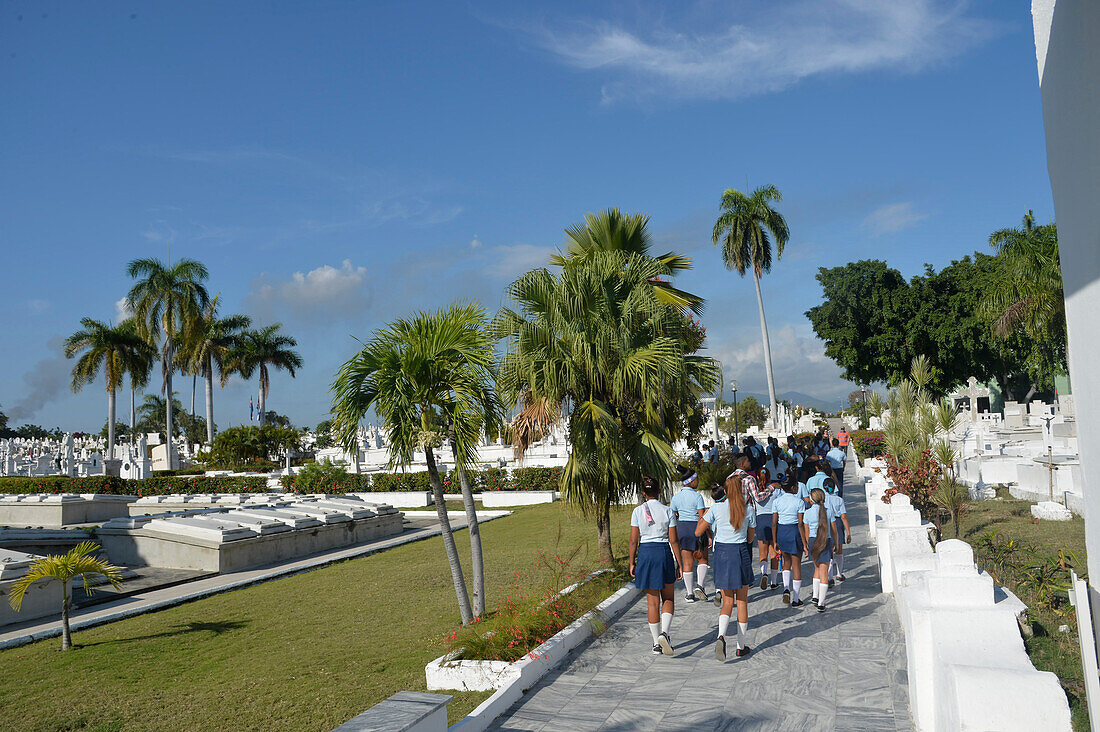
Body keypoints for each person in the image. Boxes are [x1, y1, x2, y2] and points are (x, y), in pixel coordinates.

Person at [696, 473, 756, 661]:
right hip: (740, 552)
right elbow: (751, 537)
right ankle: (740, 646)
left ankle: (721, 635)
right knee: (743, 601)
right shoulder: (748, 510)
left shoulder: (716, 508)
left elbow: (698, 531)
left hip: (722, 553)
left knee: (727, 601)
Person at [629, 477, 681, 655]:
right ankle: (665, 633)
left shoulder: (637, 511)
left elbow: (633, 540)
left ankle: (655, 644)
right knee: (668, 598)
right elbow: (673, 540)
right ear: (659, 491)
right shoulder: (668, 511)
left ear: (643, 493)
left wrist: (631, 562)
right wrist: (679, 564)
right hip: (663, 553)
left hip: (645, 553)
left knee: (652, 603)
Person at [669, 466, 709, 603]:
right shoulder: (697, 496)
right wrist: (708, 534)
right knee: (702, 559)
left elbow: (673, 513)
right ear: (691, 481)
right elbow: (702, 516)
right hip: (696, 528)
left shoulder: (676, 497)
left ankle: (690, 593)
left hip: (682, 529)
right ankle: (700, 586)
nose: (698, 481)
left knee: (687, 562)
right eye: (696, 479)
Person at [802, 487, 839, 612]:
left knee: (817, 569)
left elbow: (806, 532)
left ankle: (815, 596)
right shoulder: (828, 512)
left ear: (811, 500)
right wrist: (837, 544)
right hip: (825, 541)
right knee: (824, 572)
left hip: (813, 542)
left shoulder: (807, 513)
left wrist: (807, 546)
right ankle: (821, 603)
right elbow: (834, 530)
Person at [772, 480, 807, 607]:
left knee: (786, 562)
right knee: (796, 565)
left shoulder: (777, 501)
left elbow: (774, 523)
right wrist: (804, 543)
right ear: (792, 487)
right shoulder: (799, 502)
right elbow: (800, 524)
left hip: (782, 531)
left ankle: (786, 588)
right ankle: (796, 599)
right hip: (794, 532)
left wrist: (775, 540)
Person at [749, 473, 782, 590]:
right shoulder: (776, 489)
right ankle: (773, 582)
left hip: (760, 520)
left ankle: (764, 574)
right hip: (773, 520)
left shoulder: (755, 490)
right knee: (774, 553)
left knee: (763, 554)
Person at [824, 477, 851, 584]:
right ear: (834, 487)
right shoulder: (839, 500)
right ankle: (839, 574)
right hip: (838, 522)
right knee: (839, 549)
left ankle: (830, 577)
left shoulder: (823, 500)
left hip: (826, 523)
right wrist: (848, 532)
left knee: (829, 550)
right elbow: (844, 516)